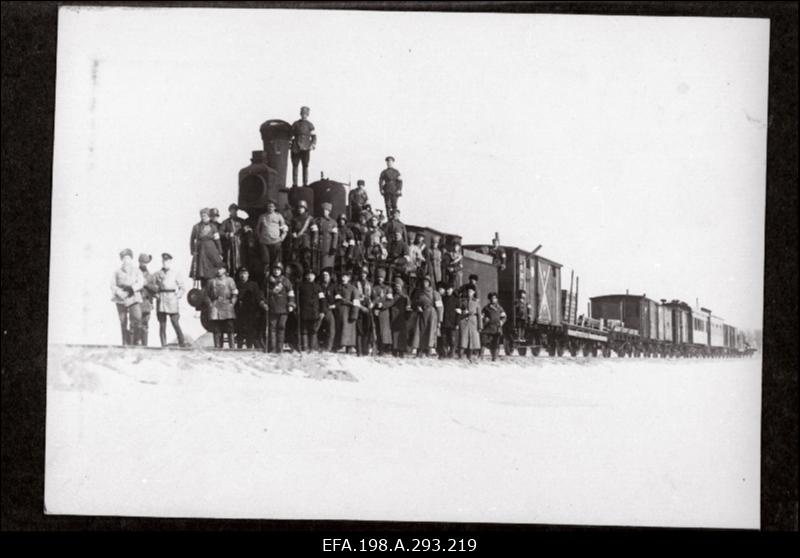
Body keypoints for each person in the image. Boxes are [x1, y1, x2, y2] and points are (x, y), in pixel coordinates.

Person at [110, 248, 144, 346]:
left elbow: (141, 282)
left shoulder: (136, 271)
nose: (126, 260)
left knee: (137, 318)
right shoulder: (117, 272)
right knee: (123, 321)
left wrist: (132, 288)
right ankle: (124, 342)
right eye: (124, 258)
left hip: (133, 296)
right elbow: (112, 285)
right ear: (122, 259)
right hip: (121, 298)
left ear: (131, 259)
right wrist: (119, 292)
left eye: (128, 258)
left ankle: (135, 340)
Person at [152, 253, 186, 347]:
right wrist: (156, 295)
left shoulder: (175, 273)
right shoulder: (156, 274)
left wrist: (178, 295)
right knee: (162, 324)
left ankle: (182, 342)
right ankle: (163, 344)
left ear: (170, 262)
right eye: (163, 261)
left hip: (172, 299)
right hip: (161, 299)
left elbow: (182, 288)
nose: (165, 263)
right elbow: (151, 287)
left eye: (167, 261)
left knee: (175, 322)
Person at [205, 265, 238, 349]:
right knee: (216, 327)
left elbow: (235, 292)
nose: (219, 271)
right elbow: (206, 295)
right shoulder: (211, 281)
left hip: (227, 304)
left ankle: (232, 347)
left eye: (220, 269)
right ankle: (217, 346)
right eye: (217, 269)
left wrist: (232, 303)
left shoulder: (230, 280)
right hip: (215, 305)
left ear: (224, 270)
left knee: (230, 326)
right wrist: (210, 304)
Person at [190, 208, 224, 287]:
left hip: (211, 251)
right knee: (202, 272)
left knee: (214, 271)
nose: (203, 217)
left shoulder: (213, 227)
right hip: (200, 251)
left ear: (208, 216)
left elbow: (217, 240)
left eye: (205, 215)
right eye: (202, 215)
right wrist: (192, 250)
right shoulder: (196, 227)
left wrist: (220, 252)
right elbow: (192, 239)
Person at [266, 261, 295, 353]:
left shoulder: (286, 281)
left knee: (281, 327)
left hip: (283, 308)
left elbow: (291, 293)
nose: (276, 271)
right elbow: (264, 293)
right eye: (275, 269)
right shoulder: (268, 280)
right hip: (272, 307)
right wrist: (264, 303)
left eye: (278, 270)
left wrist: (291, 304)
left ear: (281, 271)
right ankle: (273, 348)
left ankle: (280, 348)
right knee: (272, 328)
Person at [235, 267, 267, 349]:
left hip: (250, 311)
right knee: (240, 329)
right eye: (241, 274)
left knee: (250, 329)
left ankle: (249, 346)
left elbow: (258, 296)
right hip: (239, 311)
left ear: (248, 275)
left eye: (245, 274)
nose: (243, 275)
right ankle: (239, 346)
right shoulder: (236, 284)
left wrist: (262, 303)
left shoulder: (253, 285)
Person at [410, 276, 441, 357]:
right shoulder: (419, 293)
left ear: (429, 283)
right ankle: (418, 349)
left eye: (427, 282)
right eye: (424, 282)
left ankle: (430, 349)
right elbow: (413, 303)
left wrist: (439, 320)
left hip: (431, 314)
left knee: (431, 331)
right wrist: (417, 307)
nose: (425, 283)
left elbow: (440, 307)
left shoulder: (434, 293)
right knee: (419, 331)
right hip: (421, 314)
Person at [256, 200, 288, 271]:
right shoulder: (262, 216)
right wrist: (259, 238)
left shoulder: (279, 216)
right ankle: (266, 276)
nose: (270, 208)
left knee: (276, 262)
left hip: (276, 242)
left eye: (272, 206)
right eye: (269, 206)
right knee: (265, 261)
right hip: (264, 242)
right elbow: (258, 228)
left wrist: (282, 237)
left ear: (275, 208)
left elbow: (284, 228)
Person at [297, 268, 324, 352]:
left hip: (314, 312)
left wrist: (322, 311)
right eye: (308, 275)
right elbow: (297, 299)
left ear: (315, 277)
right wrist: (297, 310)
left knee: (313, 330)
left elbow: (322, 299)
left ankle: (312, 348)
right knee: (304, 330)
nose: (310, 277)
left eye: (312, 275)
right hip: (304, 311)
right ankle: (304, 347)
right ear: (305, 276)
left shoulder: (318, 287)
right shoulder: (300, 286)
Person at [290, 105, 316, 187]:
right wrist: (290, 144)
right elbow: (290, 136)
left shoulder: (310, 125)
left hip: (306, 147)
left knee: (305, 165)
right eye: (302, 113)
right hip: (296, 147)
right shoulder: (295, 124)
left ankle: (305, 183)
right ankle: (295, 183)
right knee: (295, 165)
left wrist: (313, 144)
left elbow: (314, 136)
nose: (303, 115)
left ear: (307, 114)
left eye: (305, 114)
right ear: (300, 114)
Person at [333, 270, 359, 354]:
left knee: (348, 330)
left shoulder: (353, 289)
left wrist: (354, 314)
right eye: (342, 277)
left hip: (349, 312)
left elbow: (356, 303)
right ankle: (341, 346)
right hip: (339, 311)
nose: (343, 278)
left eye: (345, 277)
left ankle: (349, 347)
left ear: (349, 278)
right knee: (340, 328)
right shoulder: (338, 287)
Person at [370, 268, 393, 355]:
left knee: (384, 331)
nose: (380, 279)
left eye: (382, 278)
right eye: (379, 277)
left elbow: (390, 301)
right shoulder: (374, 288)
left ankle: (384, 349)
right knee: (376, 330)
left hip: (384, 312)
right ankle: (376, 348)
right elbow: (372, 299)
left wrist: (383, 305)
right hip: (375, 311)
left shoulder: (388, 289)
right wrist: (375, 307)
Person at [457, 284, 481, 361]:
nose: (469, 293)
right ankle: (460, 356)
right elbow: (458, 311)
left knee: (473, 340)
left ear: (473, 292)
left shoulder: (476, 302)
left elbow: (479, 315)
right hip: (464, 321)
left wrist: (480, 326)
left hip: (473, 321)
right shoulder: (462, 301)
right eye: (468, 291)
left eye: (471, 291)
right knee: (463, 340)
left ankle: (470, 356)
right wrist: (463, 312)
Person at [354, 266, 374, 357]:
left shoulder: (369, 284)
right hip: (359, 308)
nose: (363, 275)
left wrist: (371, 304)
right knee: (359, 329)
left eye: (365, 273)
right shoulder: (355, 284)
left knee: (367, 328)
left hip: (368, 309)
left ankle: (365, 350)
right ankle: (359, 350)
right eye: (362, 273)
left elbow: (373, 297)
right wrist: (361, 307)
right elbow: (354, 298)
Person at [388, 277, 411, 357]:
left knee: (402, 335)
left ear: (401, 287)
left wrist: (407, 316)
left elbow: (408, 307)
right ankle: (394, 350)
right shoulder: (392, 296)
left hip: (402, 318)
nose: (397, 288)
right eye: (396, 286)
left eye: (399, 286)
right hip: (393, 318)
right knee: (394, 335)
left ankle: (401, 351)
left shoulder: (405, 297)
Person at [220, 203, 246, 274]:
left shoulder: (241, 221)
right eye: (232, 210)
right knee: (230, 262)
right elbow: (220, 232)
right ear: (230, 211)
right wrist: (227, 234)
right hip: (230, 246)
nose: (234, 212)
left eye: (235, 210)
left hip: (240, 245)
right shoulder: (226, 222)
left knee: (240, 262)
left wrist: (246, 230)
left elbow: (247, 229)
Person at [289, 199, 314, 273]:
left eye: (302, 208)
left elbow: (314, 232)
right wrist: (292, 233)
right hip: (296, 242)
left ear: (305, 209)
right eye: (298, 208)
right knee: (295, 259)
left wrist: (314, 242)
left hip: (306, 242)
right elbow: (292, 230)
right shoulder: (294, 219)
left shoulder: (310, 219)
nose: (300, 209)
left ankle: (307, 274)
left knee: (306, 259)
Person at [482, 292, 507, 361]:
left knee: (495, 343)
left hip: (496, 328)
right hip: (488, 327)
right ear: (489, 299)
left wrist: (501, 322)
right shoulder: (486, 308)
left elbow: (504, 316)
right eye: (492, 298)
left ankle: (494, 357)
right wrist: (485, 319)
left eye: (495, 298)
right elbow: (482, 316)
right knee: (483, 341)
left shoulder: (500, 308)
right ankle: (480, 356)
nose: (493, 300)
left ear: (497, 299)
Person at [137, 253, 155, 346]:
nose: (144, 264)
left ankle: (145, 346)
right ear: (139, 262)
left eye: (146, 262)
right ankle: (136, 345)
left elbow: (154, 289)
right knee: (136, 324)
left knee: (145, 325)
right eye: (142, 262)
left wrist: (146, 284)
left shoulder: (150, 276)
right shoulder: (135, 273)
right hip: (136, 303)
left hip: (147, 302)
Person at [318, 268, 337, 351]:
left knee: (331, 329)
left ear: (330, 276)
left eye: (326, 275)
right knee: (316, 328)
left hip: (329, 310)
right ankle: (317, 346)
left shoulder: (333, 287)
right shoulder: (318, 286)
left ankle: (328, 348)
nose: (325, 277)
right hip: (320, 310)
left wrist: (334, 305)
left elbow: (338, 298)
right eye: (323, 275)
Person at [316, 202, 338, 273]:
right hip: (318, 247)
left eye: (326, 210)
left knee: (326, 267)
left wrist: (333, 247)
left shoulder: (333, 223)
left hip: (328, 249)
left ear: (329, 211)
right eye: (323, 210)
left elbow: (335, 237)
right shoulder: (316, 220)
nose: (324, 212)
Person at [439, 282, 459, 358]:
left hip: (452, 323)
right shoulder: (442, 299)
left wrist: (457, 323)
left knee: (452, 340)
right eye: (447, 289)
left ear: (452, 290)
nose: (448, 291)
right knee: (444, 340)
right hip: (444, 322)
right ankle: (444, 353)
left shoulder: (456, 300)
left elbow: (458, 313)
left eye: (450, 289)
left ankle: (451, 354)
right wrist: (440, 321)